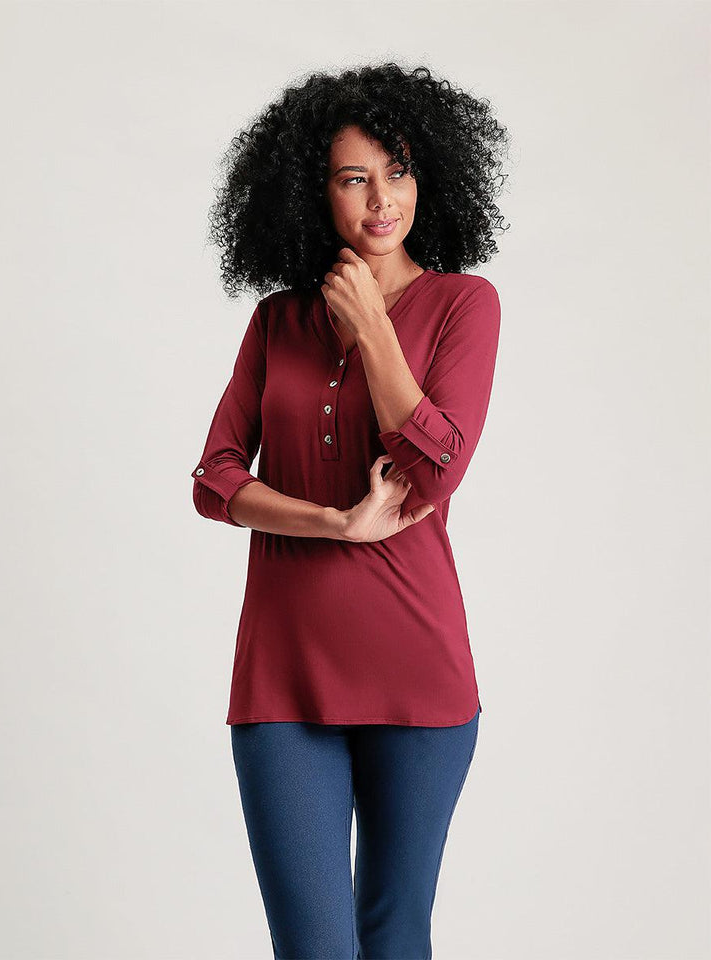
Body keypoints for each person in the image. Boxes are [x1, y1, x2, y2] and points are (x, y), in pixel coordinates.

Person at [190, 62, 509, 960]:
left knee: (395, 936)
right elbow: (215, 478)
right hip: (282, 676)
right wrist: (333, 524)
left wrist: (373, 327)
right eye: (353, 177)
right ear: (313, 191)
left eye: (398, 172)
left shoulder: (463, 305)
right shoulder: (276, 323)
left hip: (417, 672)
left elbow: (436, 468)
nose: (381, 200)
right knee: (314, 948)